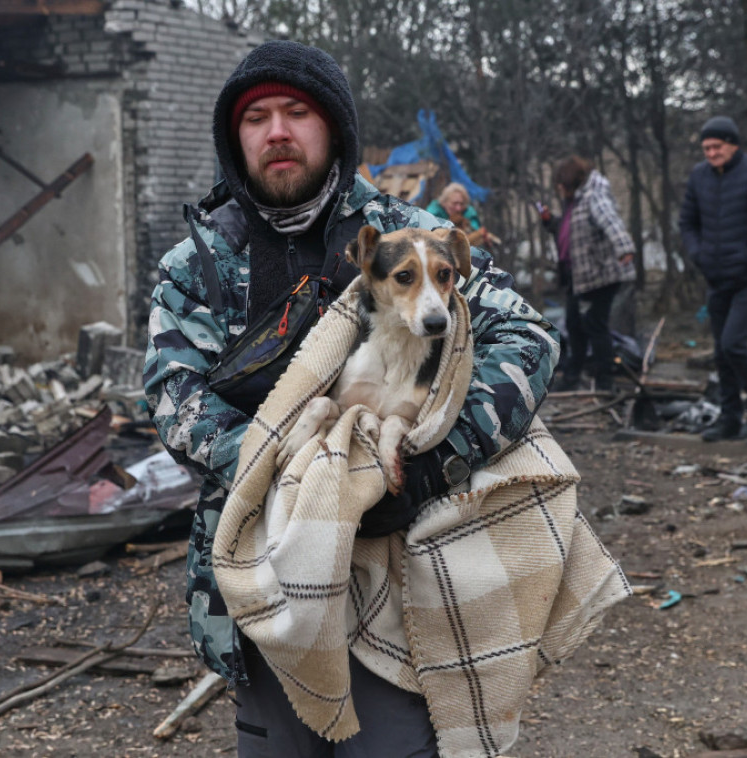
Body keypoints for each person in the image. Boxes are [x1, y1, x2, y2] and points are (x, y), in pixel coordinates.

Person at [143, 40, 559, 756]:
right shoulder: (198, 265)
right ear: (234, 139)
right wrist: (301, 482)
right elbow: (173, 398)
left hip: (402, 578)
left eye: (297, 112)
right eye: (256, 118)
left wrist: (434, 463)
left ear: (333, 127)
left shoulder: (411, 238)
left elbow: (527, 337)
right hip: (265, 579)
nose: (277, 132)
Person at [679, 116, 747, 441]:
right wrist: (699, 254)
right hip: (716, 277)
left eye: (717, 146)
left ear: (733, 144)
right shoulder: (699, 176)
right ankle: (729, 417)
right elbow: (687, 223)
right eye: (706, 148)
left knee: (734, 344)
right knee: (721, 352)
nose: (711, 153)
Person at [541, 155, 636, 393]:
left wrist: (624, 248)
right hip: (580, 276)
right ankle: (573, 375)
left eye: (561, 184)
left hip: (601, 275)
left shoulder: (594, 197)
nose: (559, 189)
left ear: (570, 181)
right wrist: (550, 221)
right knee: (574, 324)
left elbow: (611, 222)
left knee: (595, 324)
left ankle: (605, 380)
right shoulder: (575, 201)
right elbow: (570, 231)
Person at [426, 181, 496, 247]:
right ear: (444, 202)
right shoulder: (433, 214)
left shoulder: (468, 213)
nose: (458, 208)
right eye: (454, 203)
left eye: (461, 204)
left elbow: (475, 228)